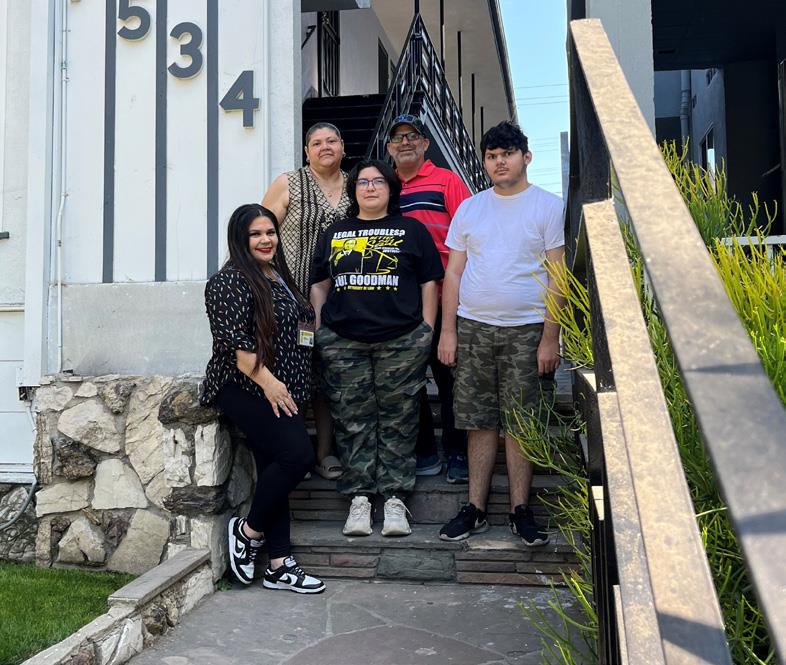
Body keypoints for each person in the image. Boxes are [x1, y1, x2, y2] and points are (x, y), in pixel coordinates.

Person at [437, 121, 566, 546]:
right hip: (474, 328)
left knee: (522, 423)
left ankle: (520, 510)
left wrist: (551, 337)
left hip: (527, 331)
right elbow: (453, 273)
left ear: (526, 157)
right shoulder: (470, 209)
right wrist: (448, 332)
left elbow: (559, 276)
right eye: (492, 156)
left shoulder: (548, 206)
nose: (499, 162)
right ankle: (474, 508)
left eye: (507, 154)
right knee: (478, 421)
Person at [310, 159, 443, 537]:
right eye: (363, 182)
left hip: (401, 341)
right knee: (352, 421)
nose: (370, 187)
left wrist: (426, 330)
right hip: (343, 341)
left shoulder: (412, 230)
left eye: (378, 181)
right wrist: (320, 328)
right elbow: (319, 282)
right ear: (353, 191)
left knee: (399, 421)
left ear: (390, 188)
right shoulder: (335, 231)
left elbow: (429, 282)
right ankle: (360, 500)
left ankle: (396, 500)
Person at [201, 203, 324, 594]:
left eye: (270, 232)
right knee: (297, 456)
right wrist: (271, 384)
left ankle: (279, 565)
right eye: (255, 234)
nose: (265, 240)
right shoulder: (229, 281)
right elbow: (238, 348)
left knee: (274, 465)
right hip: (246, 387)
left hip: (282, 387)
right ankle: (249, 531)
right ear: (240, 239)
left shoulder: (277, 275)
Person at [262, 122, 351, 480]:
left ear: (343, 146)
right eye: (316, 142)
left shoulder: (357, 186)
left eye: (331, 140)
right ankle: (294, 453)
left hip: (342, 302)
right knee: (293, 373)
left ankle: (325, 453)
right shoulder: (289, 183)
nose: (324, 147)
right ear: (306, 151)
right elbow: (260, 231)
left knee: (328, 377)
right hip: (291, 300)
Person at [386, 114, 472, 483]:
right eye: (398, 138)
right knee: (408, 380)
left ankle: (457, 453)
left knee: (451, 380)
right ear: (389, 147)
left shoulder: (447, 181)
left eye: (412, 136)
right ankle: (423, 451)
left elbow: (469, 236)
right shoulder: (384, 185)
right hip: (399, 304)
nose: (405, 142)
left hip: (444, 299)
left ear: (425, 143)